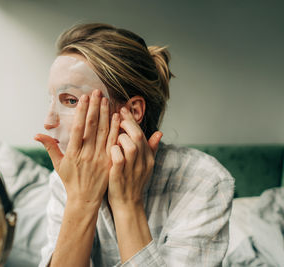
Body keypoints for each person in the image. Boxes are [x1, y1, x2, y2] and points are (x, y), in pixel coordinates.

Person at [35, 23, 234, 267]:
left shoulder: (203, 181)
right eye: (52, 100)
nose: (48, 122)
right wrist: (81, 200)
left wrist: (127, 203)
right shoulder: (66, 179)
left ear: (132, 111)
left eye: (71, 100)